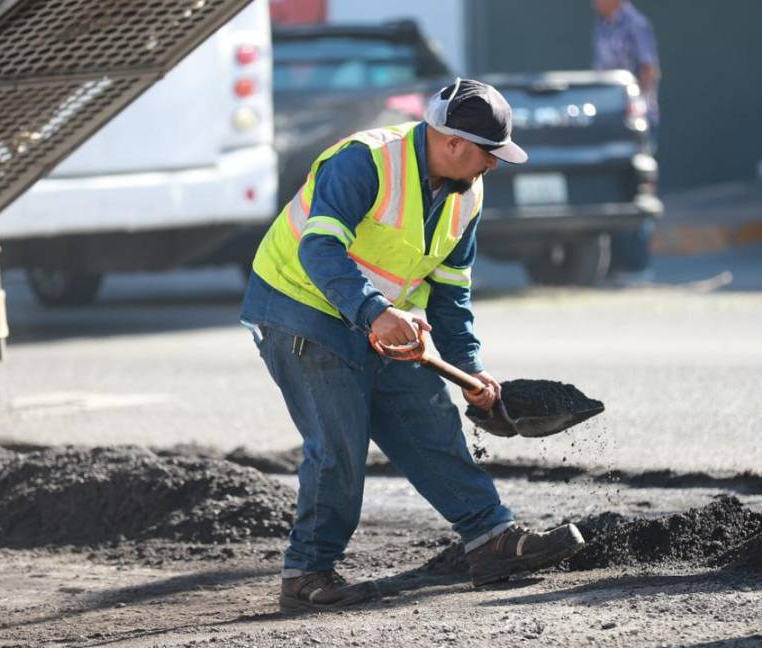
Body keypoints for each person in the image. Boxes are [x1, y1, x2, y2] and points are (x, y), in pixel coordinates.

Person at [239, 78, 585, 612]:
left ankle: (490, 539)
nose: (493, 164)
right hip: (298, 306)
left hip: (372, 314)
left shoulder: (467, 190)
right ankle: (306, 572)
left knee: (428, 417)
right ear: (451, 142)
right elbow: (320, 248)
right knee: (340, 446)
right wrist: (374, 312)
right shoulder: (364, 162)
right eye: (488, 154)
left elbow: (450, 291)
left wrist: (469, 367)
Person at [592, 0, 661, 280]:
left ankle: (639, 266)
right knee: (613, 188)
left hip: (635, 121)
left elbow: (649, 68)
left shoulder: (636, 24)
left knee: (637, 189)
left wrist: (639, 107)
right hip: (609, 120)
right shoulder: (602, 25)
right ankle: (616, 265)